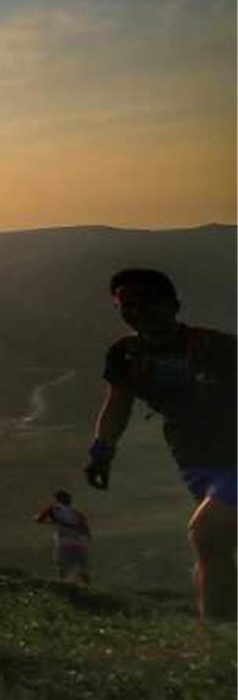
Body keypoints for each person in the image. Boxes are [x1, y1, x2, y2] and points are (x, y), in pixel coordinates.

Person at [82, 267, 236, 622]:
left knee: (206, 533)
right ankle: (223, 636)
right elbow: (117, 405)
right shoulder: (125, 355)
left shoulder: (218, 347)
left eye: (148, 301)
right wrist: (101, 452)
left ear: (174, 305)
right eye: (126, 304)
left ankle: (214, 639)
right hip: (197, 460)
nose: (137, 310)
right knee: (215, 548)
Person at [33, 489, 91, 585]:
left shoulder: (53, 509)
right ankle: (84, 583)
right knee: (81, 564)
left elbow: (38, 519)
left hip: (64, 539)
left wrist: (51, 522)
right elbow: (85, 527)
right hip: (80, 540)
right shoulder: (76, 512)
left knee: (64, 563)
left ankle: (66, 582)